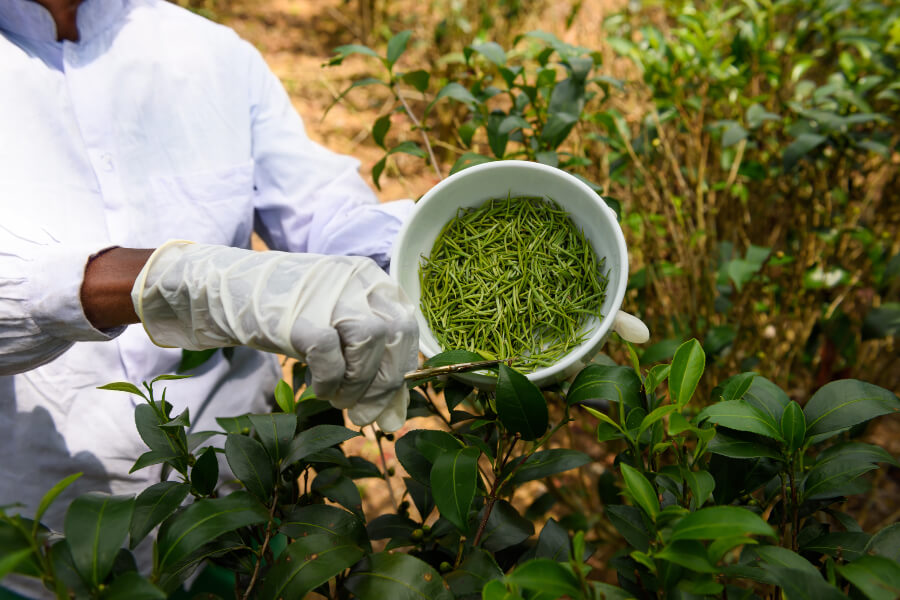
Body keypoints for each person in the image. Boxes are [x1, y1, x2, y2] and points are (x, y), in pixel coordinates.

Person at [0, 0, 418, 594]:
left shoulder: (212, 55)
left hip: (239, 515)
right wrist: (184, 281)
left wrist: (415, 259)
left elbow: (324, 209)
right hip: (39, 548)